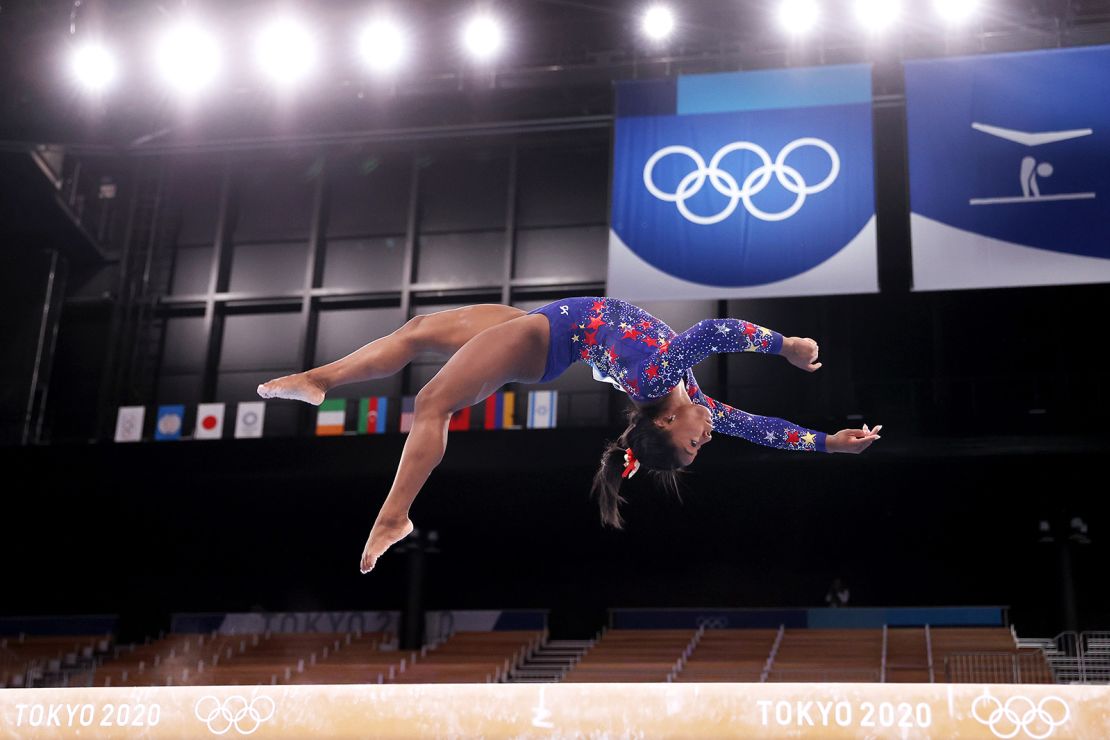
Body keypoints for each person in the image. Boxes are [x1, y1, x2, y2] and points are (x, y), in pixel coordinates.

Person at [257, 297, 881, 573]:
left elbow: (716, 331)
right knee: (420, 329)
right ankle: (320, 379)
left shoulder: (660, 378)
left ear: (666, 423)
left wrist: (785, 348)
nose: (708, 439)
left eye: (693, 447)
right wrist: (830, 441)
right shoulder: (687, 392)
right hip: (550, 323)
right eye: (700, 446)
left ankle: (394, 517)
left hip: (544, 339)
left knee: (431, 404)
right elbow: (766, 429)